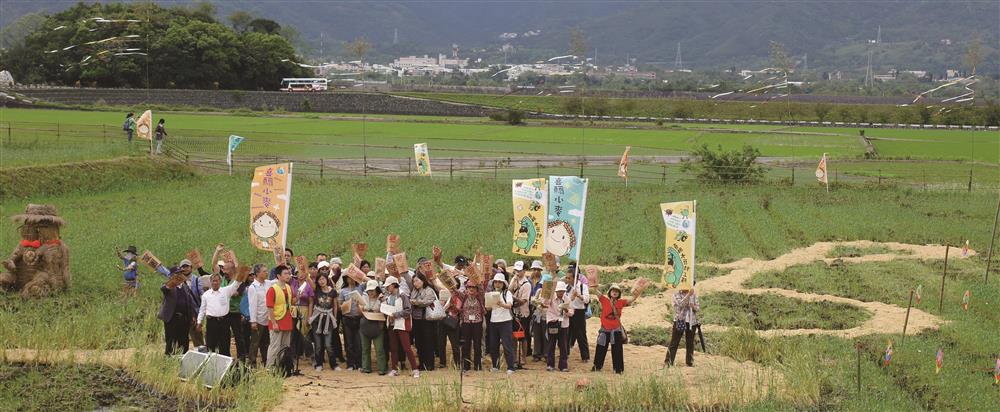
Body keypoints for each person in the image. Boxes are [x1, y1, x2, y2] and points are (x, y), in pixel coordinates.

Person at [592, 283, 640, 374]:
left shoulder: (621, 302)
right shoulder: (604, 300)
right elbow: (596, 292)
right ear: (610, 292)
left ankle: (618, 370)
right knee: (600, 348)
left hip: (616, 329)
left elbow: (631, 299)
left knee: (617, 350)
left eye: (617, 291)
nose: (615, 292)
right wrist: (594, 286)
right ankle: (597, 367)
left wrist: (636, 294)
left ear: (619, 294)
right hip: (604, 329)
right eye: (613, 291)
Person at [197, 273, 243, 356]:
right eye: (213, 281)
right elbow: (202, 309)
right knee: (211, 346)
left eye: (217, 281)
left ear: (220, 281)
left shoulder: (226, 291)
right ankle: (211, 365)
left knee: (225, 345)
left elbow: (236, 284)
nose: (215, 283)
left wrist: (242, 273)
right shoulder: (206, 295)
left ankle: (226, 367)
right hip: (211, 322)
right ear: (210, 282)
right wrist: (199, 322)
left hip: (224, 322)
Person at [384, 276, 420, 377]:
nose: (387, 288)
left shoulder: (403, 295)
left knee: (407, 347)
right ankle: (394, 369)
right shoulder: (389, 297)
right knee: (393, 348)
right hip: (391, 324)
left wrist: (395, 315)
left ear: (393, 285)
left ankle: (415, 369)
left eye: (388, 286)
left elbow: (408, 310)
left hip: (402, 324)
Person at [158, 267, 195, 355]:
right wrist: (170, 284)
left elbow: (189, 302)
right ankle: (169, 361)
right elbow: (164, 289)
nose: (180, 275)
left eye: (181, 273)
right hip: (172, 318)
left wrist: (192, 316)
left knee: (184, 341)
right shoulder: (169, 286)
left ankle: (183, 359)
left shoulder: (185, 286)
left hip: (184, 319)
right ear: (172, 275)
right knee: (171, 341)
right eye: (177, 273)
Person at [450, 278, 484, 372]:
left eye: (473, 287)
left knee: (477, 344)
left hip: (477, 323)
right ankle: (466, 366)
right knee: (466, 344)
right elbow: (455, 290)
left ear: (476, 289)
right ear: (466, 288)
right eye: (469, 287)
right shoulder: (464, 296)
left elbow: (481, 287)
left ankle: (478, 366)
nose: (471, 289)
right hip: (466, 323)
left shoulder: (480, 296)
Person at [486, 273, 516, 374]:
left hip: (505, 321)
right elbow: (488, 308)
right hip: (494, 321)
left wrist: (501, 304)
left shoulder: (507, 293)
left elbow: (509, 305)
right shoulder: (491, 293)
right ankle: (495, 366)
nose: (497, 284)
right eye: (496, 282)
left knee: (507, 345)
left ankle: (510, 367)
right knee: (493, 345)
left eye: (500, 282)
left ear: (503, 284)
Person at [310, 274, 340, 371]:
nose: (321, 281)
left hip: (328, 319)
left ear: (327, 279)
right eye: (319, 279)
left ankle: (334, 364)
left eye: (323, 279)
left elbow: (335, 305)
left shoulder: (333, 292)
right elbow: (308, 279)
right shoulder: (316, 290)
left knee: (328, 344)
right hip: (317, 319)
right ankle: (319, 364)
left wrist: (335, 318)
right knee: (318, 344)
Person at [266, 265, 294, 369]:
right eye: (285, 273)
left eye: (288, 273)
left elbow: (291, 302)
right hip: (277, 320)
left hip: (287, 319)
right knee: (274, 346)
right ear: (278, 276)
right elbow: (270, 307)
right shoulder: (272, 289)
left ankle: (282, 366)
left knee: (285, 345)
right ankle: (270, 367)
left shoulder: (288, 287)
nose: (288, 275)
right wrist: (273, 323)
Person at [409, 272, 437, 371]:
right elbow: (411, 301)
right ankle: (421, 364)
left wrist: (415, 302)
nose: (415, 283)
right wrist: (415, 302)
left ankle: (430, 364)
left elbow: (427, 301)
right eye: (413, 281)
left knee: (428, 342)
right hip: (416, 320)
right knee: (419, 343)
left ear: (423, 280)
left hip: (427, 320)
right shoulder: (414, 291)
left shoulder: (429, 290)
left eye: (417, 280)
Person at [540, 281, 571, 372]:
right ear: (556, 291)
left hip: (564, 324)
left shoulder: (567, 299)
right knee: (551, 344)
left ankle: (563, 365)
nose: (561, 293)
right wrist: (547, 293)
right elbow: (545, 303)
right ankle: (550, 364)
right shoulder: (551, 297)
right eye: (559, 291)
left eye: (562, 291)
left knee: (563, 345)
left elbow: (571, 313)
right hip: (553, 322)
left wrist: (566, 310)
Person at [666, 288, 700, 367]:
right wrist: (688, 295)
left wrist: (693, 306)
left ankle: (689, 362)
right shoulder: (676, 294)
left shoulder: (694, 295)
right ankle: (668, 361)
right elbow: (680, 305)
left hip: (692, 321)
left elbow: (698, 308)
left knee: (690, 342)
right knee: (674, 341)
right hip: (680, 320)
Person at [247, 264, 274, 367]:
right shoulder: (253, 287)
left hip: (268, 318)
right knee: (255, 342)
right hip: (258, 319)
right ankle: (252, 363)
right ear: (257, 273)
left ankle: (266, 361)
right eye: (264, 271)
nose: (266, 273)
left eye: (266, 271)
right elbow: (252, 305)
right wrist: (253, 321)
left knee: (266, 342)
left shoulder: (268, 283)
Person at [359, 280, 388, 375]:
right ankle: (366, 367)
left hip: (378, 326)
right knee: (365, 348)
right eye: (369, 290)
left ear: (377, 290)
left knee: (379, 349)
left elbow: (385, 310)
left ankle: (382, 369)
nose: (371, 292)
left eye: (373, 290)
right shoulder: (363, 297)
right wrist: (360, 307)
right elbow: (360, 310)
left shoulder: (382, 299)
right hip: (365, 325)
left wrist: (382, 300)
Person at [565, 265, 591, 362]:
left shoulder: (582, 286)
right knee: (566, 334)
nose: (567, 279)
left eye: (569, 278)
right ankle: (565, 353)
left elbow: (587, 299)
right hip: (568, 311)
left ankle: (585, 356)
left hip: (579, 312)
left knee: (581, 335)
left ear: (574, 277)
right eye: (566, 277)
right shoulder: (566, 287)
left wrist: (579, 295)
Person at [340, 271, 364, 371]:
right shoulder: (343, 291)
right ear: (345, 279)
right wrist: (345, 305)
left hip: (358, 317)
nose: (351, 279)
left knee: (358, 342)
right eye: (349, 277)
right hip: (347, 318)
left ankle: (359, 363)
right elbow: (339, 305)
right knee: (348, 342)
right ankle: (350, 363)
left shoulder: (360, 288)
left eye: (353, 277)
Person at [290, 263, 314, 360]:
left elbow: (311, 302)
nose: (301, 274)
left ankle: (310, 354)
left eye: (303, 272)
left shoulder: (308, 285)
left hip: (304, 309)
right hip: (294, 309)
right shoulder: (293, 283)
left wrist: (309, 316)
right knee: (293, 333)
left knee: (304, 333)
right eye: (298, 272)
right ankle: (293, 354)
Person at [510, 261, 532, 369]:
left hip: (523, 313)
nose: (518, 272)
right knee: (513, 336)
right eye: (516, 270)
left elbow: (523, 301)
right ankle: (514, 357)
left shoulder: (527, 284)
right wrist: (513, 281)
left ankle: (523, 357)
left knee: (523, 336)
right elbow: (508, 291)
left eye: (520, 270)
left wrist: (512, 297)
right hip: (514, 313)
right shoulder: (514, 281)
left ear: (524, 271)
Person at [529, 260, 547, 362]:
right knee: (535, 332)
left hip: (543, 311)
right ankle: (536, 353)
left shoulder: (543, 281)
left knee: (544, 332)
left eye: (538, 269)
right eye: (534, 269)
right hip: (533, 309)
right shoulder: (529, 280)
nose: (536, 271)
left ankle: (545, 353)